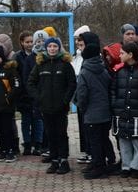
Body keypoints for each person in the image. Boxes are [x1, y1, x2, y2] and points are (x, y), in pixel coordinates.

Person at [29, 37, 77, 174]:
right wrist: (39, 98)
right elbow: (31, 82)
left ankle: (64, 160)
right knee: (50, 134)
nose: (52, 49)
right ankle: (54, 159)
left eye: (54, 46)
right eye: (49, 46)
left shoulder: (65, 64)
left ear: (59, 48)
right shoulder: (40, 64)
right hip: (45, 106)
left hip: (60, 107)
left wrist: (65, 100)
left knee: (61, 133)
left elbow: (72, 83)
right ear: (46, 48)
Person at [75, 35, 113, 180]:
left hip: (91, 112)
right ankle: (108, 161)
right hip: (105, 111)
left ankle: (98, 166)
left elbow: (82, 93)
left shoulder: (85, 71)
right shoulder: (103, 69)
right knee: (104, 138)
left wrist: (82, 107)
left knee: (94, 141)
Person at [111, 42, 138, 178]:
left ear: (130, 55)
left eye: (122, 53)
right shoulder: (119, 72)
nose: (119, 55)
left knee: (137, 141)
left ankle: (136, 166)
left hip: (136, 112)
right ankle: (125, 166)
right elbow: (113, 90)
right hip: (121, 111)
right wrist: (115, 105)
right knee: (123, 140)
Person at [15, 31, 43, 156]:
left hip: (36, 94)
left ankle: (38, 143)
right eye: (27, 42)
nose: (30, 44)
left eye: (31, 42)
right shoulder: (18, 57)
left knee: (37, 120)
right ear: (22, 43)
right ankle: (27, 144)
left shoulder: (38, 56)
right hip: (23, 94)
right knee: (25, 121)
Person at [71, 26, 92, 164]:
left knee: (89, 126)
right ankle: (85, 150)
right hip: (79, 95)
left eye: (81, 40)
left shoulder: (91, 56)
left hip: (89, 96)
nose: (78, 43)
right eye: (77, 40)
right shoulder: (76, 55)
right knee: (81, 125)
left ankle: (92, 151)